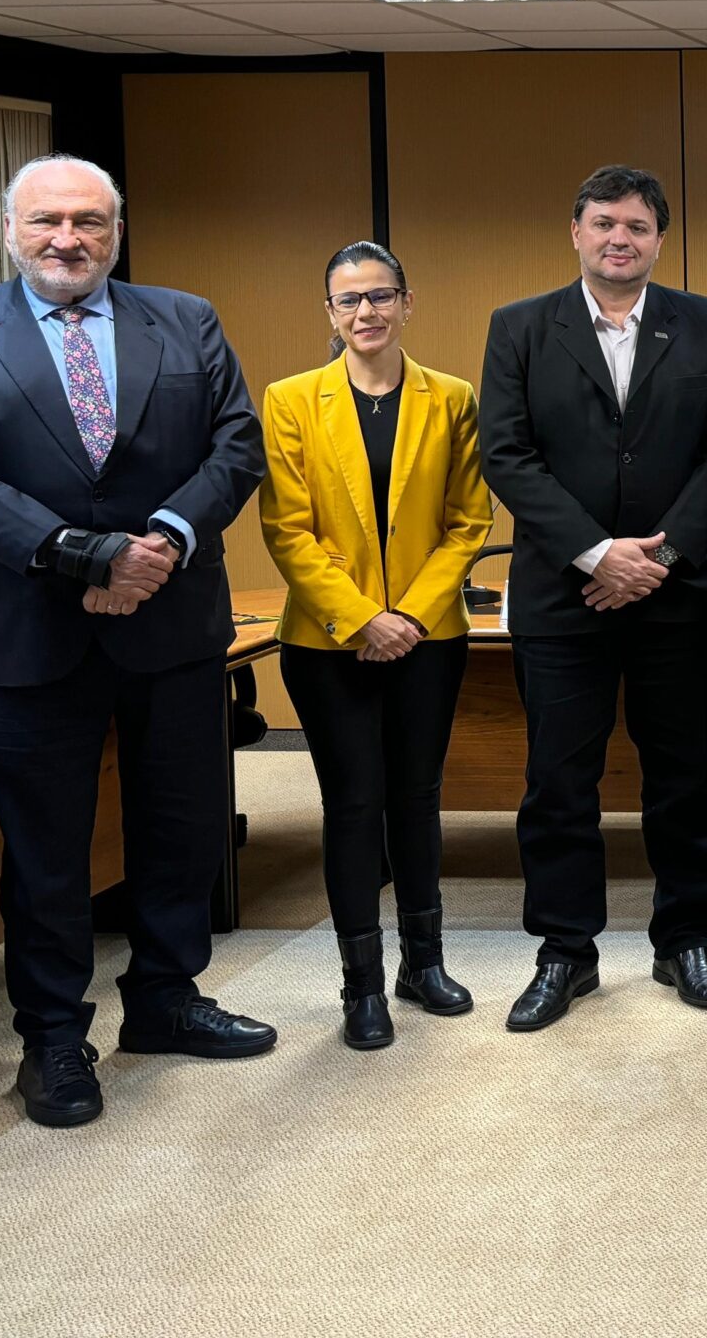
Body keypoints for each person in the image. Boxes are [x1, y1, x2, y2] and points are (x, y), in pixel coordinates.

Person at [0, 154, 268, 1128]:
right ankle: (54, 1041)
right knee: (46, 854)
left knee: (181, 830)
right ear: (13, 229)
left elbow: (237, 446)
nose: (69, 239)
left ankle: (165, 998)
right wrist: (78, 554)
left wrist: (163, 544)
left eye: (90, 222)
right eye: (48, 221)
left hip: (173, 621)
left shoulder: (184, 319)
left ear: (116, 229)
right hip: (29, 634)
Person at [479, 165, 707, 1032]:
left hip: (676, 592)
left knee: (683, 776)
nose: (618, 238)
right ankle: (565, 951)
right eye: (603, 223)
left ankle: (683, 940)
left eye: (635, 225)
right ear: (577, 231)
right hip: (564, 597)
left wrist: (656, 555)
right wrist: (597, 553)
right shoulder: (519, 327)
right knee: (559, 780)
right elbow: (507, 455)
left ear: (658, 238)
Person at [258, 242, 494, 1049]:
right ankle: (362, 985)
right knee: (354, 806)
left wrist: (414, 616)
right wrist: (363, 618)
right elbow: (286, 530)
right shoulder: (290, 400)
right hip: (329, 644)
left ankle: (422, 965)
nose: (367, 312)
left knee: (418, 801)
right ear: (329, 312)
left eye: (381, 295)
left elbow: (471, 520)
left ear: (407, 302)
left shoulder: (452, 397)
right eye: (349, 299)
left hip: (429, 639)